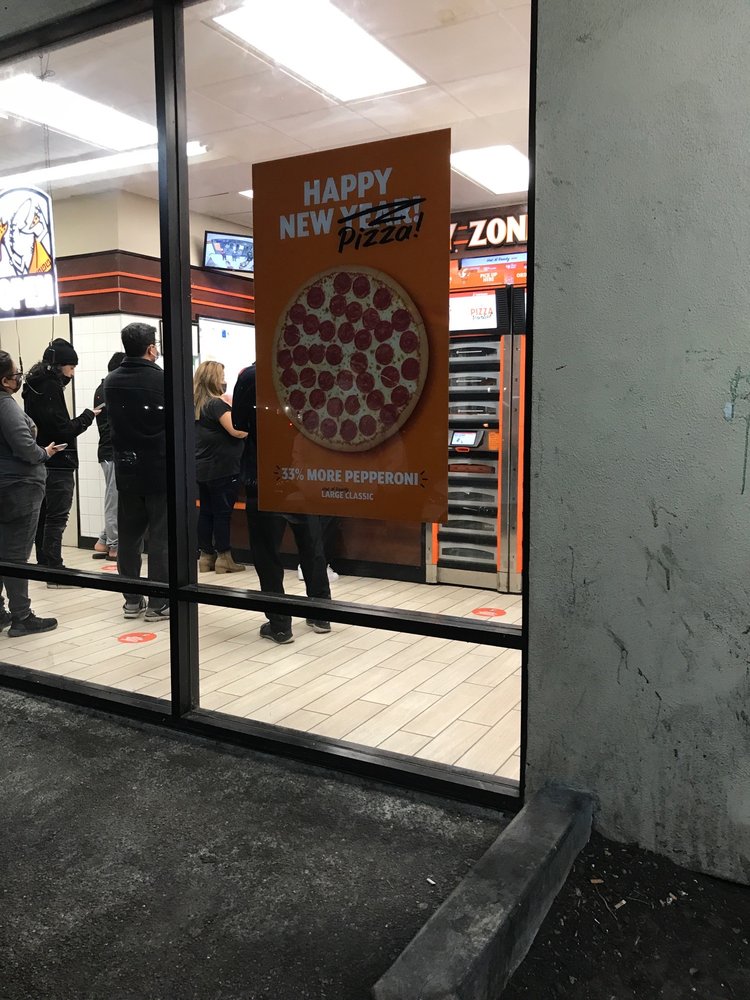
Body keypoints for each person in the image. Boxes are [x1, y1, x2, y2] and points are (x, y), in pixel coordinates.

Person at [231, 363, 331, 644]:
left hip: (263, 471)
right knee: (312, 544)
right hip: (303, 471)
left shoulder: (250, 376)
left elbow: (239, 423)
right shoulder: (306, 372)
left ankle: (279, 624)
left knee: (267, 552)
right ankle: (321, 613)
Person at [103, 323, 168, 622]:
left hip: (126, 468)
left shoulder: (111, 381)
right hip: (159, 467)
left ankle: (131, 600)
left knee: (129, 537)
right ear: (151, 348)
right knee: (161, 538)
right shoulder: (162, 379)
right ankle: (158, 602)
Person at [22, 338, 99, 581]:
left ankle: (45, 564)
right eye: (71, 367)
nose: (72, 374)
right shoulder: (50, 387)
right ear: (59, 365)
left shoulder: (33, 384)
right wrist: (87, 417)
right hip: (58, 461)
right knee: (57, 516)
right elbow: (62, 430)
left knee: (43, 515)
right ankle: (55, 569)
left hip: (40, 461)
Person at [0, 350, 61, 637]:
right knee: (16, 556)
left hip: (5, 486)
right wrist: (43, 453)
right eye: (16, 375)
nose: (19, 379)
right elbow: (24, 446)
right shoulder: (6, 406)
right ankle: (22, 616)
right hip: (19, 488)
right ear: (5, 381)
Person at [193, 360, 247, 574]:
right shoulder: (216, 405)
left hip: (203, 467)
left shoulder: (196, 404)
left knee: (206, 512)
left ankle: (206, 557)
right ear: (214, 379)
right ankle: (224, 557)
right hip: (223, 468)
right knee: (222, 514)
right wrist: (253, 427)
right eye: (222, 376)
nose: (224, 381)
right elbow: (237, 430)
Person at [92, 351, 125, 561]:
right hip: (111, 451)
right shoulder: (109, 390)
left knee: (115, 497)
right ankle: (114, 545)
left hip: (108, 451)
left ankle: (104, 540)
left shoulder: (103, 388)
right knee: (114, 499)